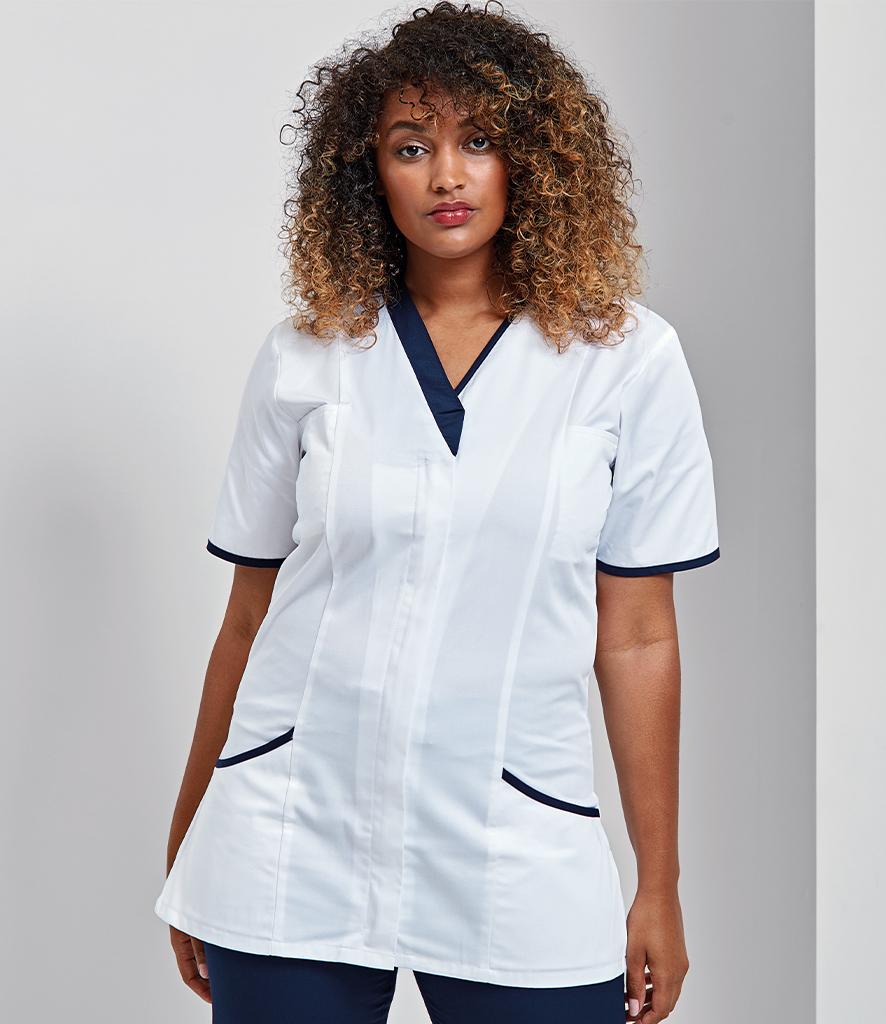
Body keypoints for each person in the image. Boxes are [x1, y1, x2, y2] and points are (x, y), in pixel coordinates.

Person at [155, 3, 719, 1022]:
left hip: (516, 842)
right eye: (411, 147)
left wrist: (659, 883)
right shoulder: (307, 352)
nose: (447, 176)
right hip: (289, 835)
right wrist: (194, 835)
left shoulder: (627, 361)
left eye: (480, 141)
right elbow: (247, 617)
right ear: (367, 170)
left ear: (536, 160)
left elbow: (635, 637)